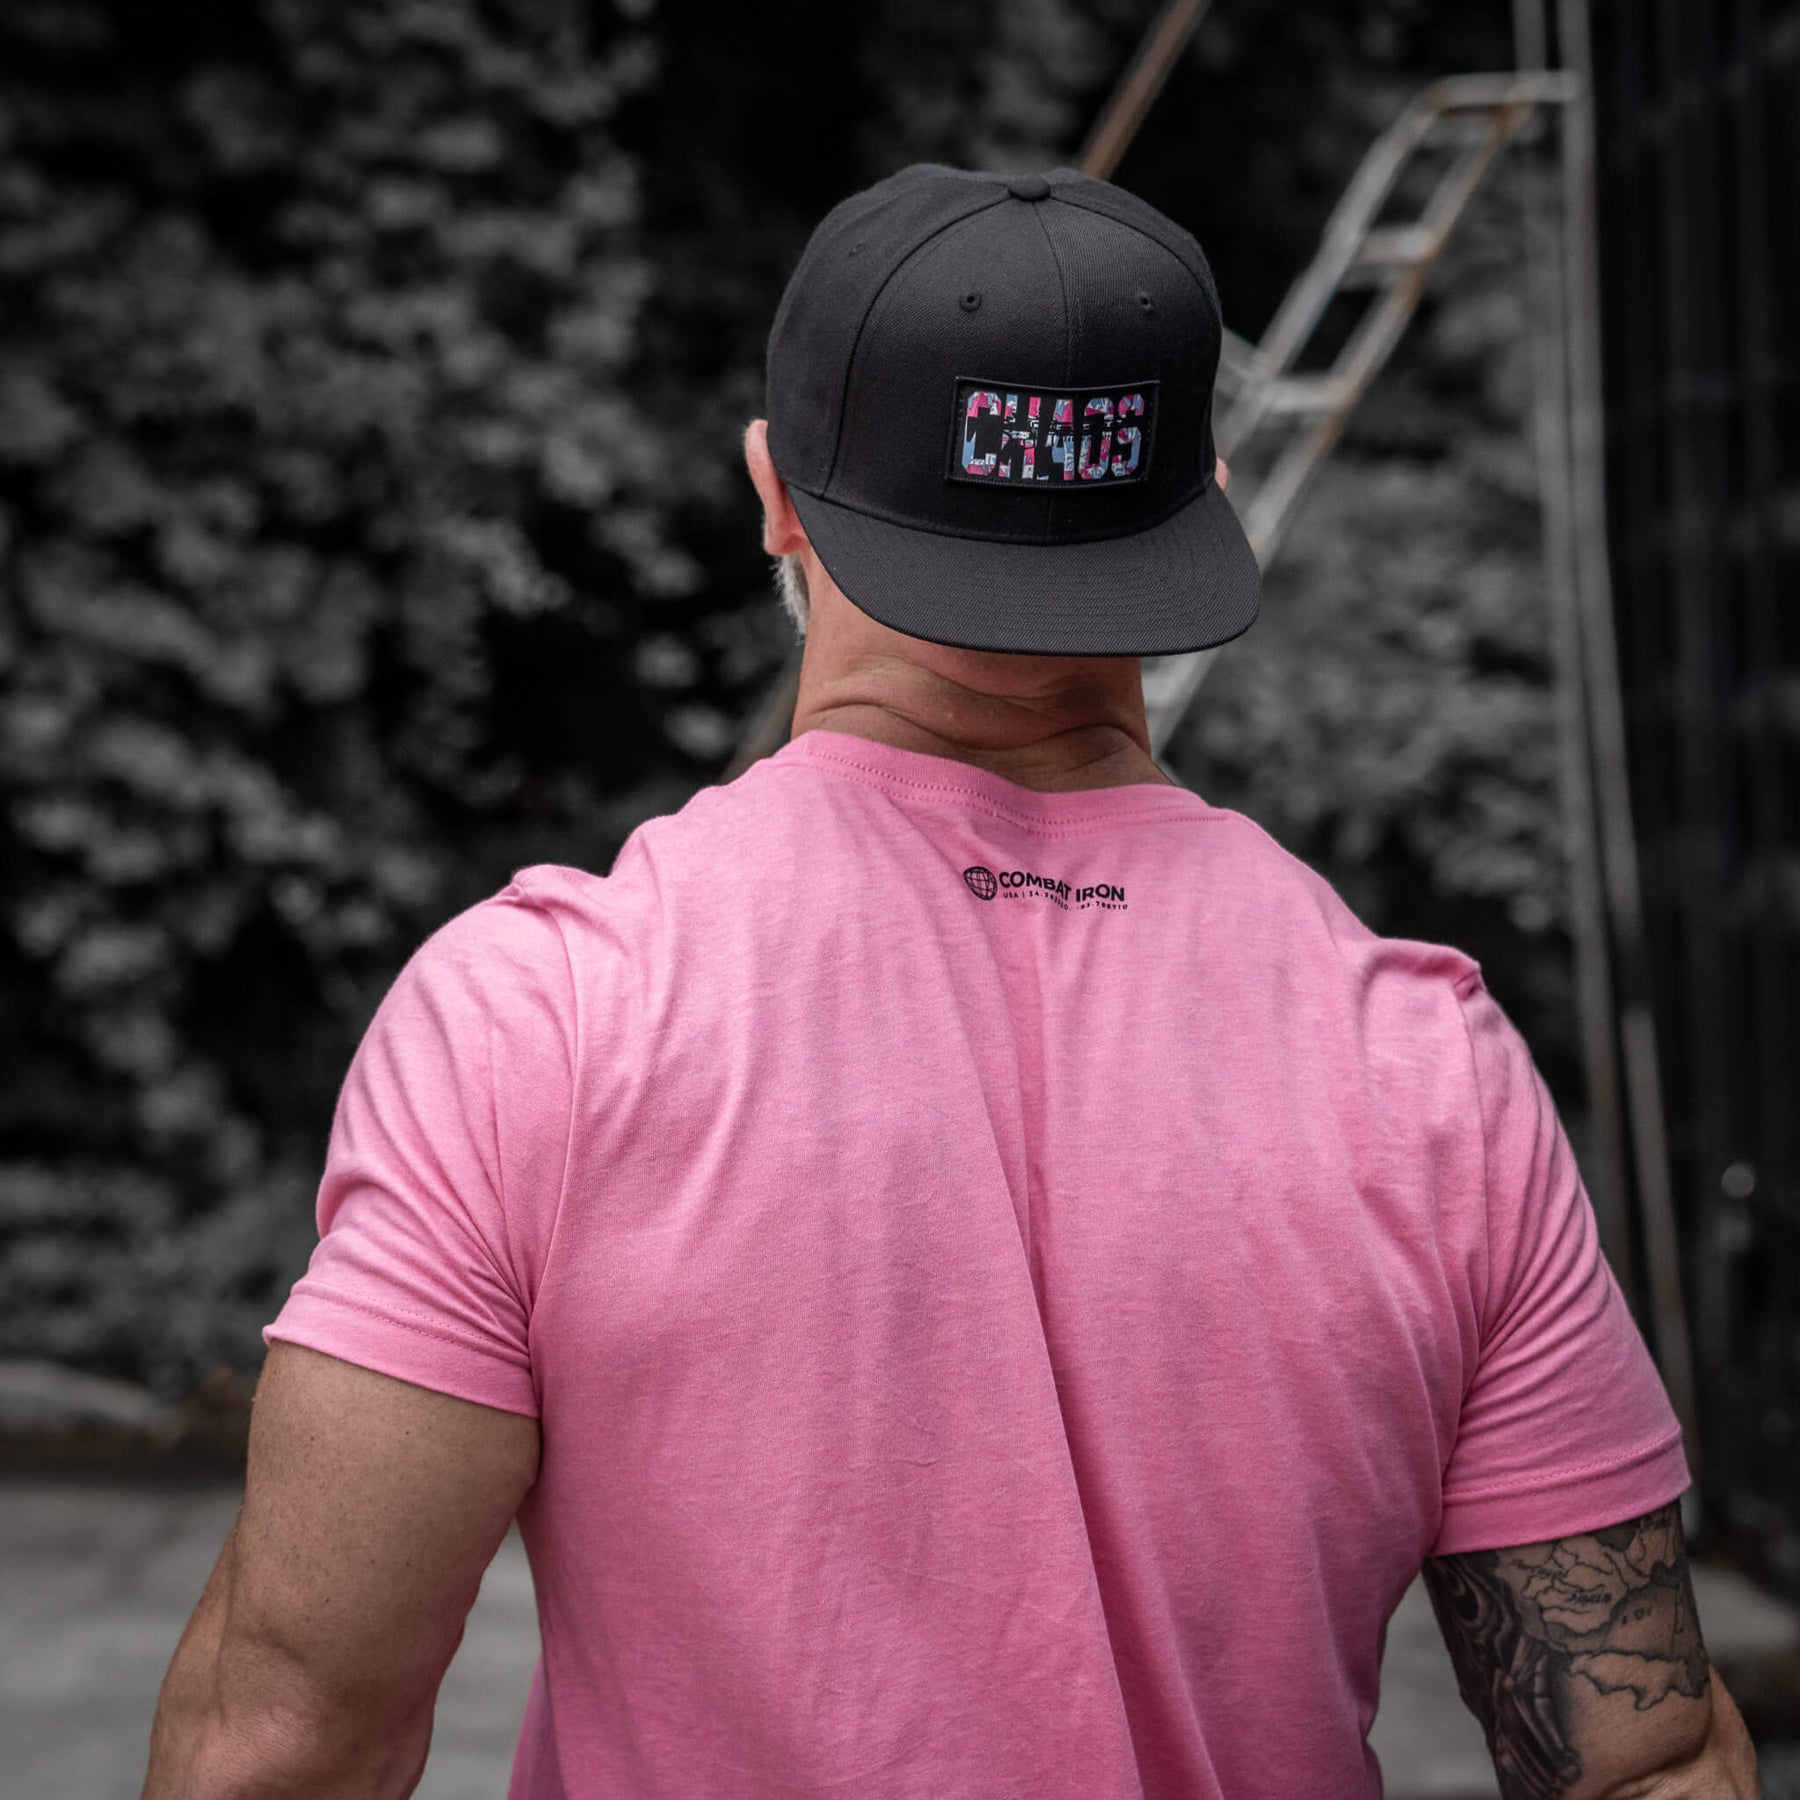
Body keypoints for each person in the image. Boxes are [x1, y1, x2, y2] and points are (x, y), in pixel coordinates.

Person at [144, 164, 1761, 1800]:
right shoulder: (1427, 1064)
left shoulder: (543, 1016)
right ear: (1204, 504)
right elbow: (1643, 1764)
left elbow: (290, 1741)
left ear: (775, 492)